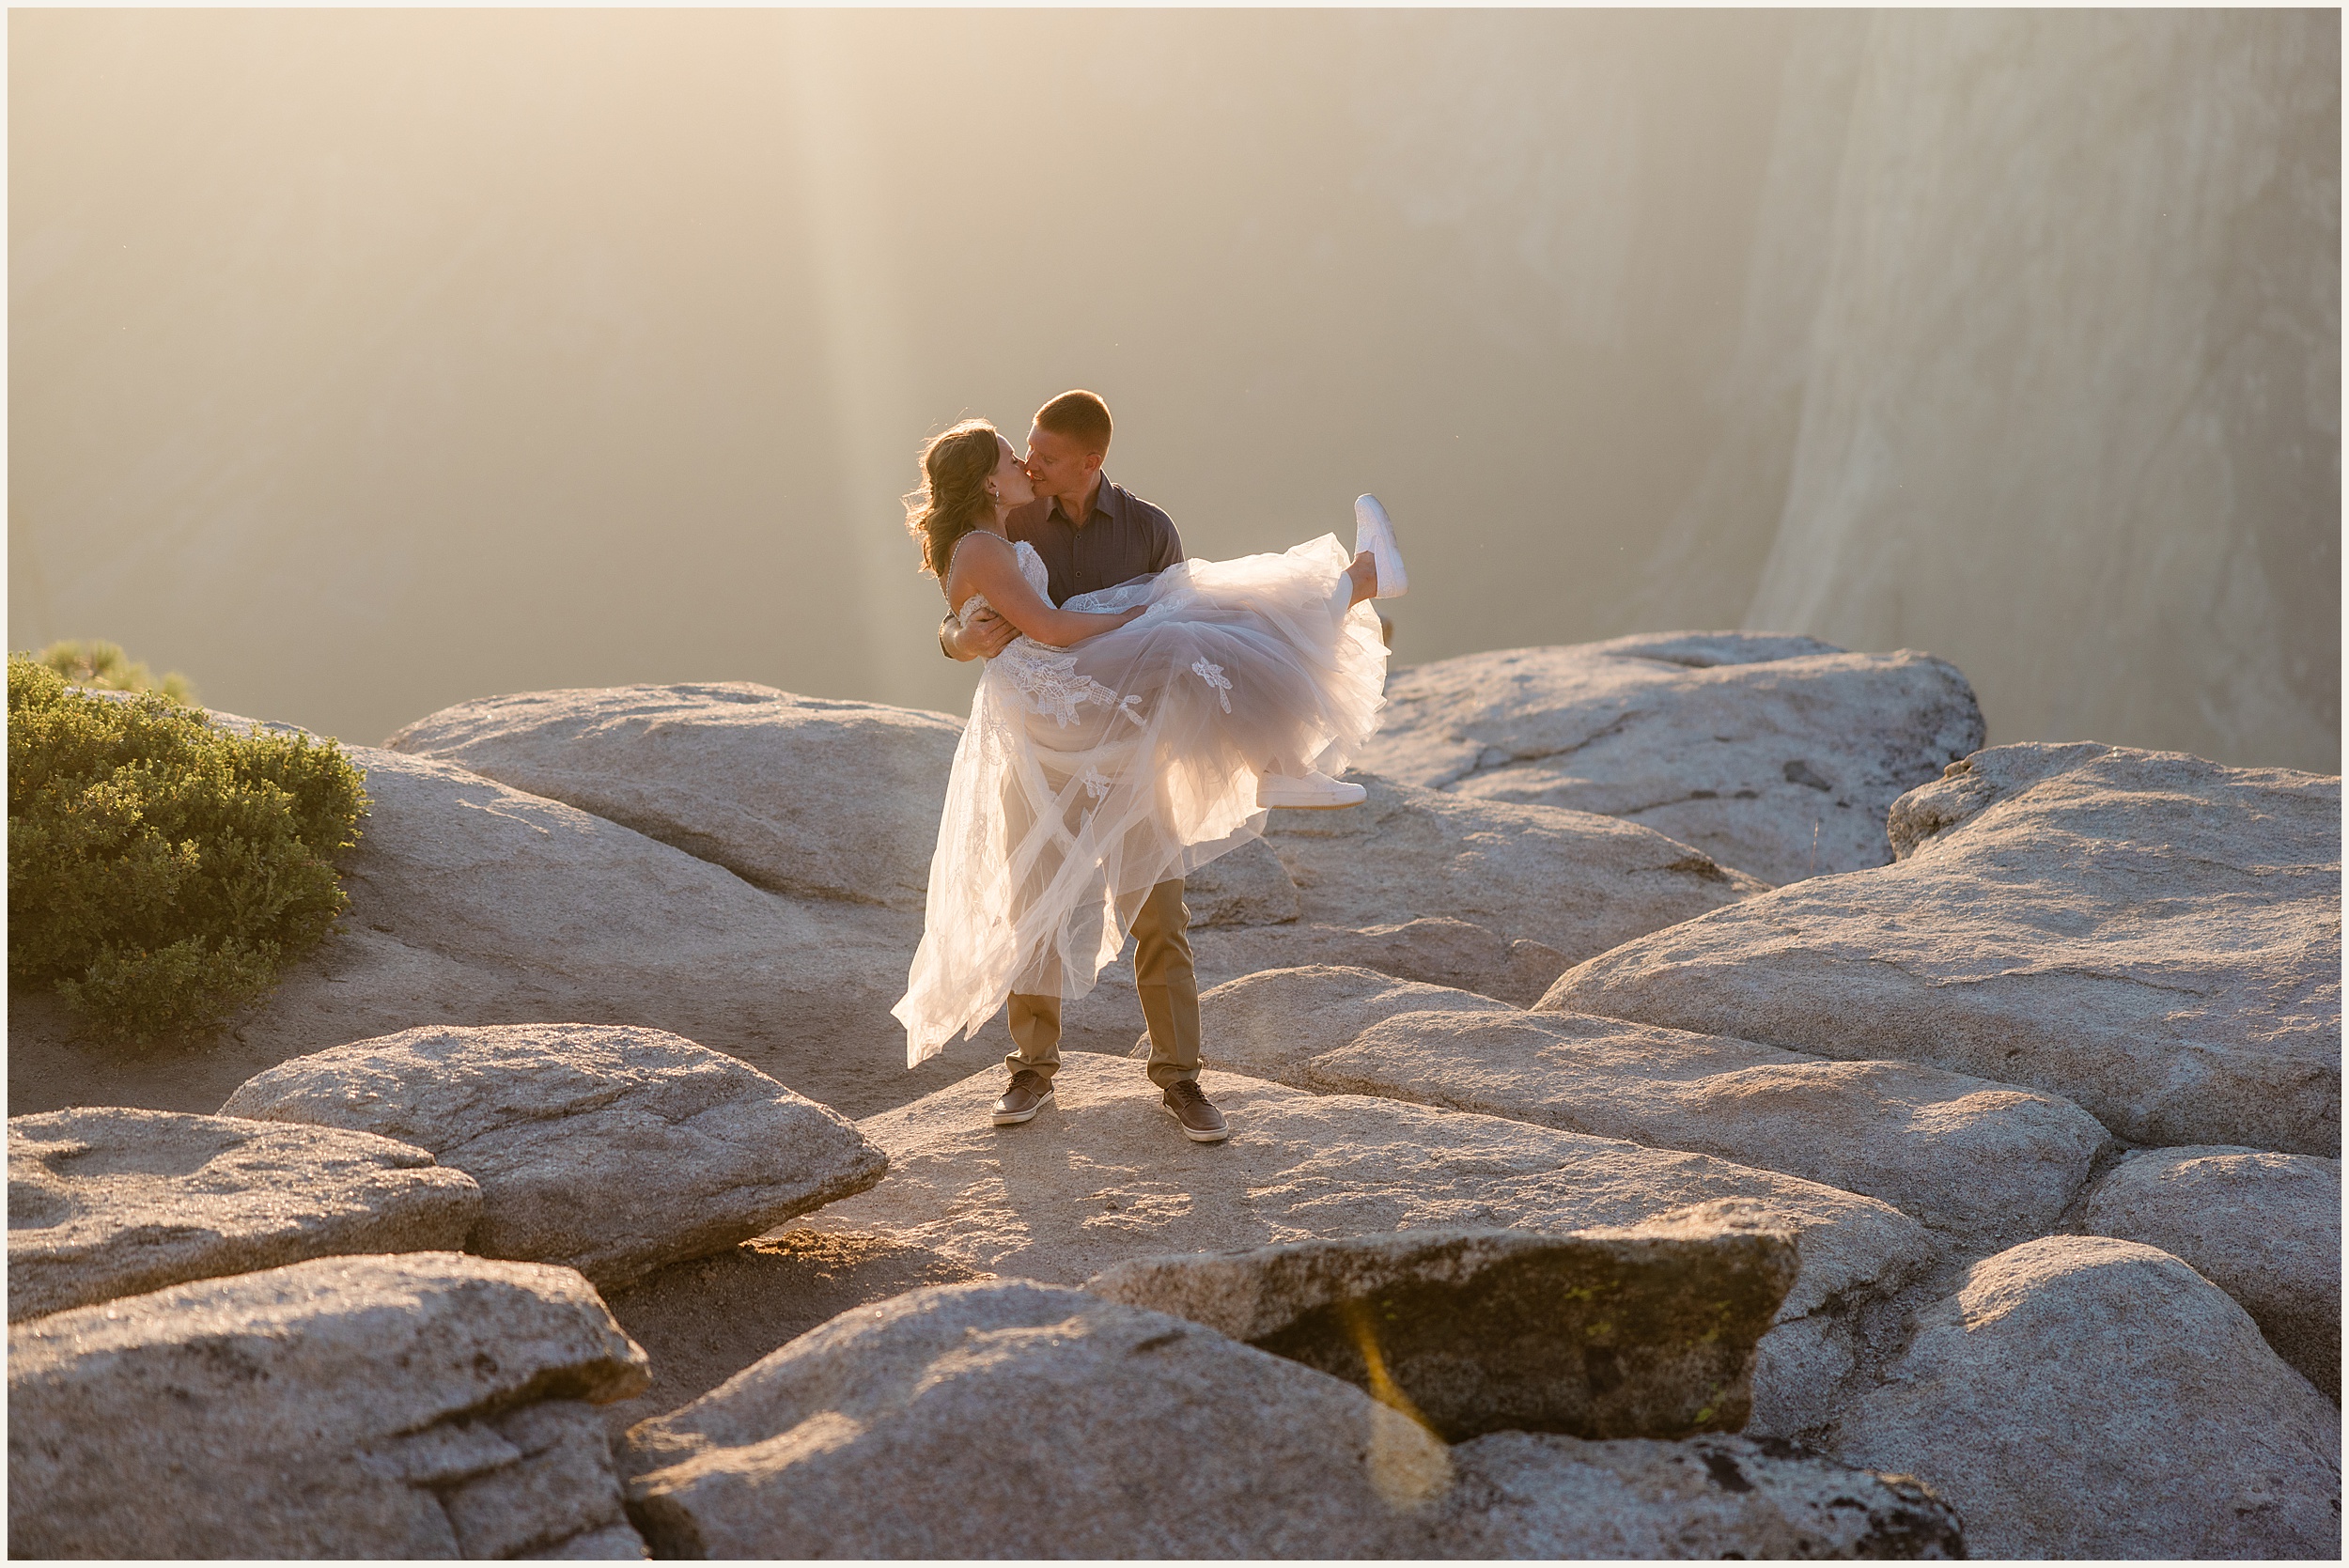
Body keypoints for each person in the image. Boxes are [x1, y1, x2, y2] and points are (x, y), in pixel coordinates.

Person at [895, 394, 1406, 1145]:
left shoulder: (1147, 529)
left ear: (1089, 461)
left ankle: (1182, 1078)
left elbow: (1200, 668)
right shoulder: (1017, 517)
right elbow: (968, 602)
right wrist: (956, 639)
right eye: (1020, 452)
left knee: (1159, 915)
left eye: (1042, 454)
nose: (1029, 463)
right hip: (1040, 745)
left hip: (1128, 748)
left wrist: (1164, 640)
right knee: (1031, 904)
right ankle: (1031, 1067)